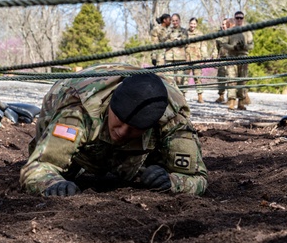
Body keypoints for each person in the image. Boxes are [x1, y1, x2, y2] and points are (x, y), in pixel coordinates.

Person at [20, 65, 207, 197]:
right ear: (110, 106)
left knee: (149, 174)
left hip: (137, 147)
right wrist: (50, 183)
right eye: (120, 120)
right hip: (65, 97)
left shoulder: (173, 119)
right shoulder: (79, 110)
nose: (122, 131)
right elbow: (37, 167)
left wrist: (173, 182)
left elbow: (197, 178)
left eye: (134, 128)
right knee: (64, 175)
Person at [223, 10, 254, 110]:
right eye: (237, 18)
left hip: (243, 57)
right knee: (231, 79)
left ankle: (241, 102)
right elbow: (224, 44)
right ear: (234, 19)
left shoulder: (247, 31)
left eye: (241, 18)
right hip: (232, 57)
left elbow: (252, 45)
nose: (239, 19)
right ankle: (232, 101)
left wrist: (244, 46)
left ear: (243, 19)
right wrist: (233, 47)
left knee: (242, 80)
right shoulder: (230, 31)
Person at [184, 17, 207, 103]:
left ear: (196, 25)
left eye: (194, 24)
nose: (192, 25)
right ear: (189, 24)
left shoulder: (200, 34)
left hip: (197, 58)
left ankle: (200, 96)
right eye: (191, 23)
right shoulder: (185, 33)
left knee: (198, 77)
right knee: (185, 78)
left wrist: (204, 56)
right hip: (186, 58)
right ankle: (183, 95)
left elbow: (203, 45)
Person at [214, 17, 234, 103]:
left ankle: (230, 98)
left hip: (231, 58)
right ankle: (221, 96)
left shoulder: (233, 33)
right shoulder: (219, 34)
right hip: (222, 58)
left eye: (225, 24)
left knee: (230, 78)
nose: (224, 26)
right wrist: (215, 58)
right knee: (221, 77)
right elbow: (216, 48)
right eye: (222, 24)